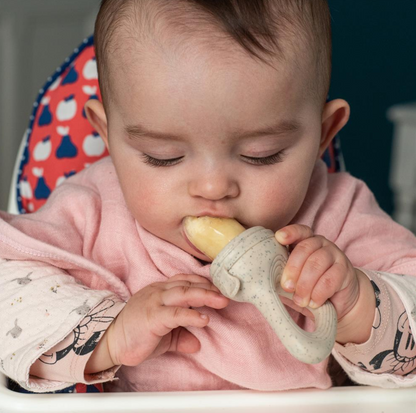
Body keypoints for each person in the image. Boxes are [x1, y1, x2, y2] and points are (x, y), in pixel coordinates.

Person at [0, 0, 415, 393]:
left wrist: (358, 304)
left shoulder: (337, 210)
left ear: (322, 136)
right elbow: (8, 296)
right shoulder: (91, 208)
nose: (213, 188)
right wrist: (112, 335)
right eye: (164, 157)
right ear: (108, 137)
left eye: (261, 155)